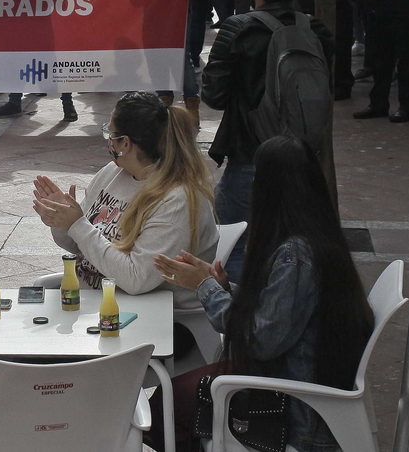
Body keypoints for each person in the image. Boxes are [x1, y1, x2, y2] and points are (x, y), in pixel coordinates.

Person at [152, 135, 374, 452]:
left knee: (169, 402)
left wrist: (204, 286)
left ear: (270, 189)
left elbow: (261, 341)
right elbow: (277, 313)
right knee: (172, 396)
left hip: (293, 407)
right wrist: (223, 286)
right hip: (294, 383)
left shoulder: (296, 255)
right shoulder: (314, 235)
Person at [201, 0, 332, 281]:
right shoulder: (317, 31)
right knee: (293, 248)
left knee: (234, 247)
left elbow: (213, 97)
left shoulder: (238, 29)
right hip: (303, 162)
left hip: (249, 157)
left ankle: (238, 321)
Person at [32, 92, 218, 315]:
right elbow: (82, 245)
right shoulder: (113, 173)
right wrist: (61, 220)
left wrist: (77, 225)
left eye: (110, 133)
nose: (108, 140)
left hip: (145, 319)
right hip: (91, 307)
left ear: (126, 143)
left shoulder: (177, 200)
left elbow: (135, 279)